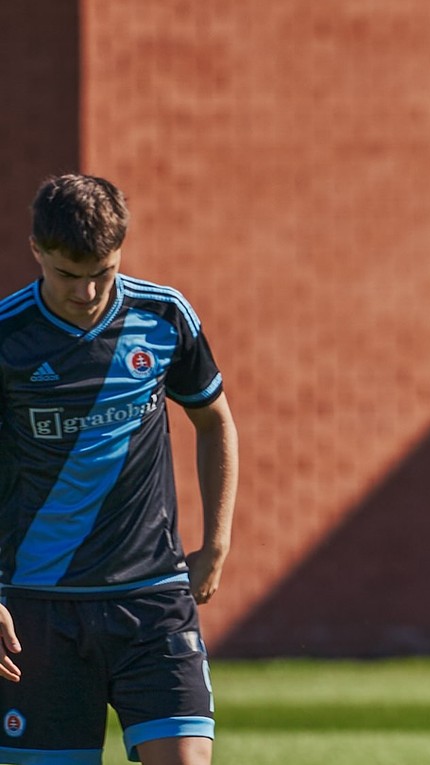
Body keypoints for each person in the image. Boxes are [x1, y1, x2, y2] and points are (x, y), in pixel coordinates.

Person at [0, 174, 238, 765]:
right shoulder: (8, 336)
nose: (86, 293)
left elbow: (215, 423)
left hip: (153, 598)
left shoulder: (164, 317)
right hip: (36, 608)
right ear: (36, 251)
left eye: (102, 273)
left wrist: (217, 541)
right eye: (67, 275)